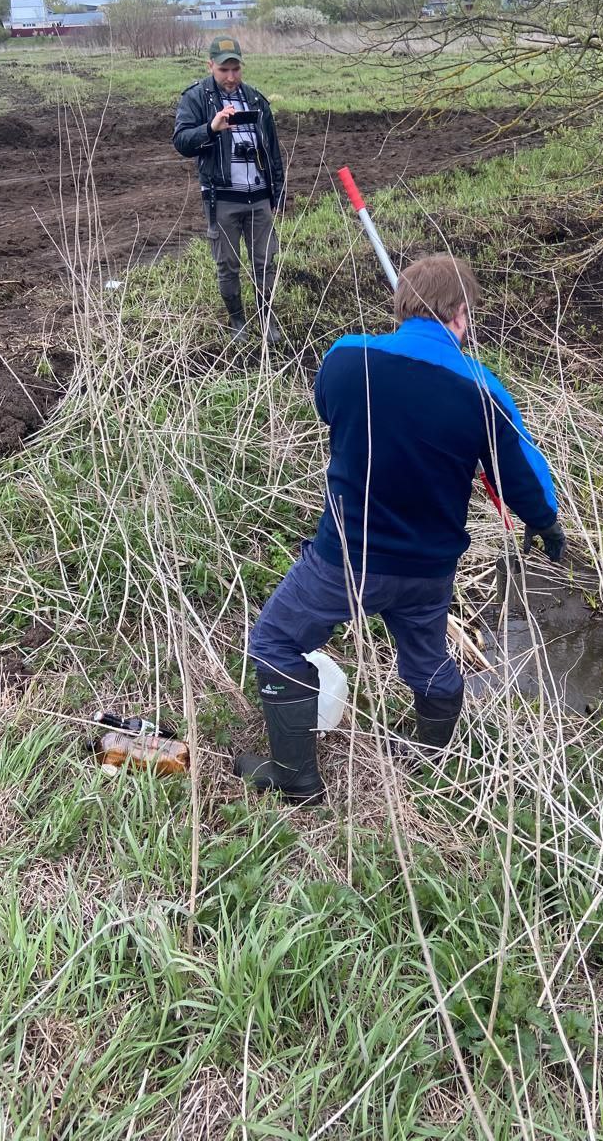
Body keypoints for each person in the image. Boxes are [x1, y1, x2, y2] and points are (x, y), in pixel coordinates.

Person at [234, 254, 566, 806]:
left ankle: (296, 776)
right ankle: (430, 757)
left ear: (402, 305)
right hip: (426, 569)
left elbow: (327, 407)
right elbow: (524, 471)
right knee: (427, 657)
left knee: (274, 643)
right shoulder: (481, 390)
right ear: (461, 314)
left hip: (343, 560)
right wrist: (545, 520)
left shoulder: (345, 358)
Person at [172, 36, 285, 343]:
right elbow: (181, 141)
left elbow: (273, 150)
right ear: (211, 66)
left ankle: (267, 320)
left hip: (259, 197)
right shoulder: (196, 98)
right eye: (224, 70)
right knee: (228, 265)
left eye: (236, 69)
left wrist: (278, 194)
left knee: (265, 262)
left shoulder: (256, 100)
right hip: (222, 198)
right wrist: (211, 128)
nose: (231, 77)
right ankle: (237, 321)